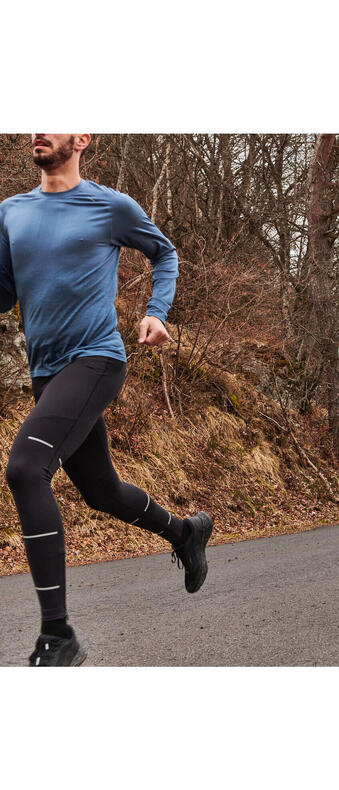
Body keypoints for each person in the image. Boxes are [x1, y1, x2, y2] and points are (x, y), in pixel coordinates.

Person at [0, 134, 213, 667]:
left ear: (82, 139)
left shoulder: (110, 205)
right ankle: (185, 532)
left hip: (96, 359)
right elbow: (5, 294)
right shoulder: (10, 212)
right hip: (47, 372)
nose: (39, 130)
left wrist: (156, 310)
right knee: (101, 490)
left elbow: (164, 253)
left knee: (27, 468)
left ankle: (58, 634)